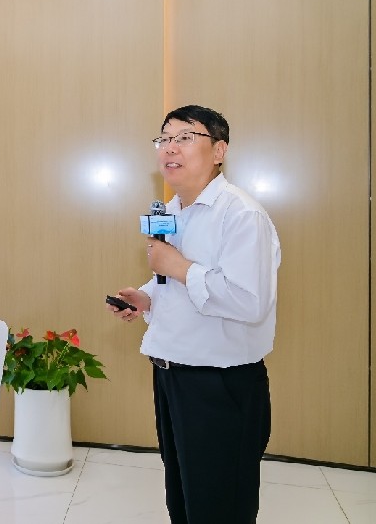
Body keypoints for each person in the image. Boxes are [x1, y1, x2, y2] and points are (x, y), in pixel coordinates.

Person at [107, 105, 281, 524]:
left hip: (219, 384)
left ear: (218, 150)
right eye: (164, 138)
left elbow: (248, 302)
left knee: (220, 505)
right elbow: (176, 285)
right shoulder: (171, 211)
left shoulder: (241, 215)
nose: (170, 148)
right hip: (172, 374)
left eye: (185, 137)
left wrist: (178, 266)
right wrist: (147, 297)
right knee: (184, 499)